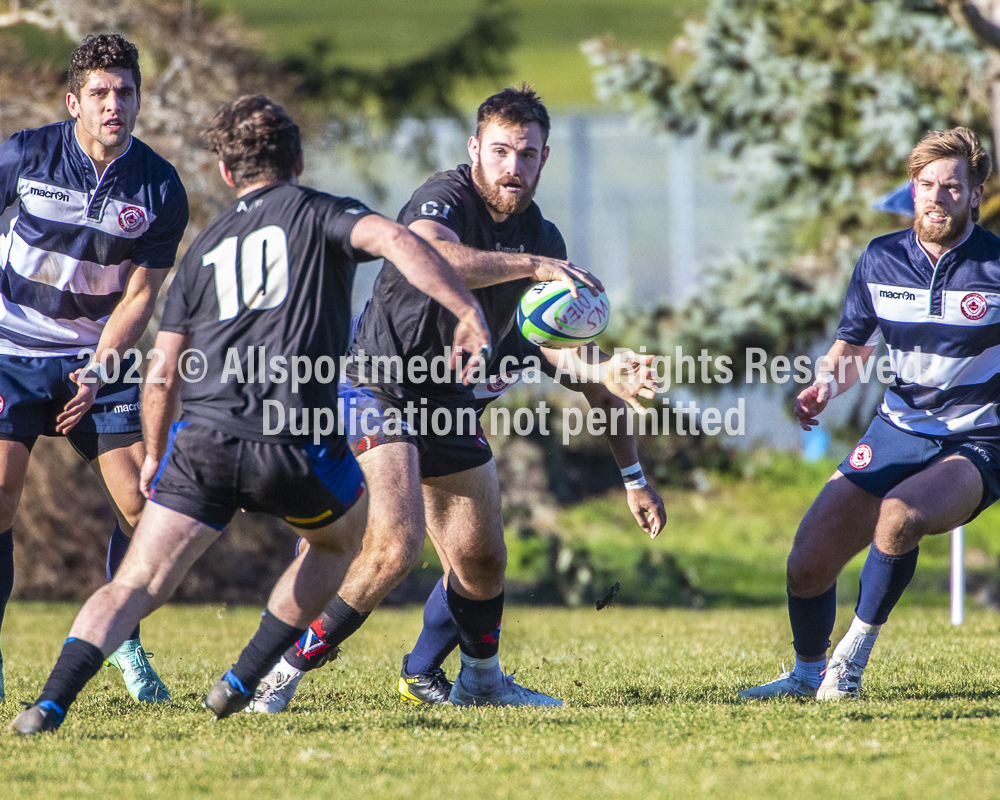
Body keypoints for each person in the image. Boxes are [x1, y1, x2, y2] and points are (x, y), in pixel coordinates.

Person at [8, 95, 489, 734]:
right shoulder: (325, 214)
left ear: (229, 175)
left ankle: (50, 702)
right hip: (292, 442)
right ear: (297, 160)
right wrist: (466, 311)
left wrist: (155, 455)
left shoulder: (201, 251)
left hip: (202, 444)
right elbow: (401, 242)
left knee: (137, 582)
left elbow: (160, 374)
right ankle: (248, 673)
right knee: (342, 540)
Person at [242, 84, 627, 711]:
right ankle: (277, 674)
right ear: (475, 149)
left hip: (448, 403)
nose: (513, 167)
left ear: (544, 158)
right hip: (378, 385)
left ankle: (482, 683)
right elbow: (430, 252)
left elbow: (547, 341)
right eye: (500, 151)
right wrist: (531, 265)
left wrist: (610, 370)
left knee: (482, 560)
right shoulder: (444, 197)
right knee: (395, 547)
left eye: (526, 155)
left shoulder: (542, 236)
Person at [248, 319, 666, 711]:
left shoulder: (544, 323)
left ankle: (426, 673)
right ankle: (276, 673)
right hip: (366, 394)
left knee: (476, 559)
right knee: (386, 550)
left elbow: (602, 391)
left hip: (445, 420)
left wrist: (635, 480)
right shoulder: (437, 307)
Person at [740, 127, 1000, 701]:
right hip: (898, 429)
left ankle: (848, 665)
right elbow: (853, 349)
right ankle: (806, 677)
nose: (937, 197)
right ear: (912, 188)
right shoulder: (881, 258)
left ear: (976, 193)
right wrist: (823, 387)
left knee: (900, 516)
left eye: (952, 187)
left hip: (979, 438)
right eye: (926, 184)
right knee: (807, 562)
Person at [0, 33, 189, 704]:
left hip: (94, 358)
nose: (115, 105)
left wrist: (100, 367)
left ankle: (120, 641)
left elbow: (141, 295)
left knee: (145, 505)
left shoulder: (161, 187)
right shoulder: (24, 155)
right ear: (74, 102)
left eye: (127, 93)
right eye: (101, 94)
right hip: (10, 350)